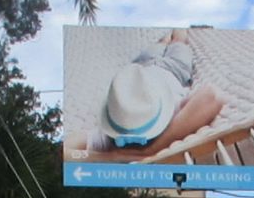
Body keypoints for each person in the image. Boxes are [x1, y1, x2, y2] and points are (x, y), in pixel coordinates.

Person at [81, 30, 222, 159]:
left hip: (141, 68)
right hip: (174, 68)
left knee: (161, 42)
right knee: (179, 40)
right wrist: (152, 149)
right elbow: (211, 96)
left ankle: (168, 33)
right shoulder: (171, 114)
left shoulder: (112, 131)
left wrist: (113, 156)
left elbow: (70, 148)